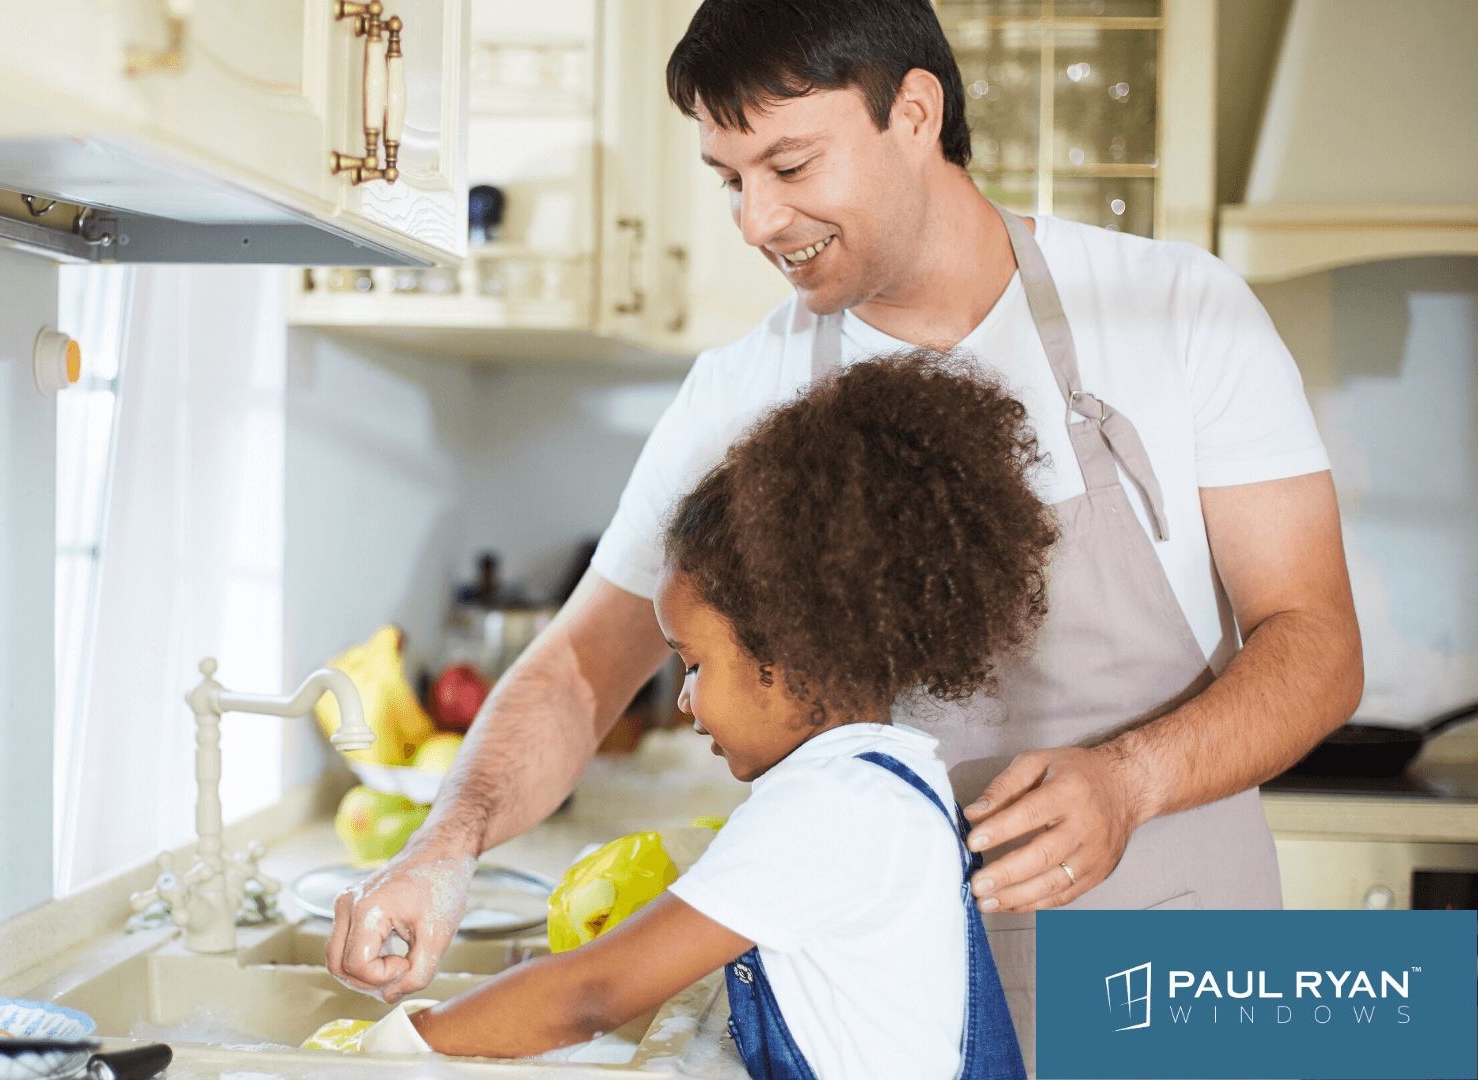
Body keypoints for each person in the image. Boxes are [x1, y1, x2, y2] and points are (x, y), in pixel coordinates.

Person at [327, 0, 1363, 1068]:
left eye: (790, 165)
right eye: (731, 179)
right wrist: (441, 845)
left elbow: (1319, 645)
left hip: (1177, 976)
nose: (756, 222)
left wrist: (1131, 780)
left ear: (915, 111)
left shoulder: (1177, 311)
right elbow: (580, 671)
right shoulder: (741, 392)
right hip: (897, 998)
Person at [356, 351, 1049, 1078]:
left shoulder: (826, 809)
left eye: (693, 665)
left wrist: (399, 1046)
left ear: (790, 654)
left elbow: (588, 996)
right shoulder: (891, 775)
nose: (684, 702)